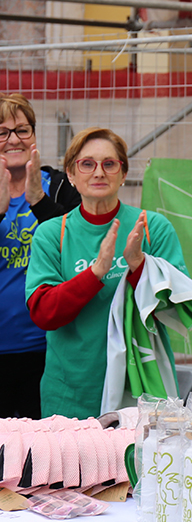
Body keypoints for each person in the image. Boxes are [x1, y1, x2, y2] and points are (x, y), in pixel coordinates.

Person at [25, 127, 186, 419]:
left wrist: (138, 266)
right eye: (87, 164)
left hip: (140, 394)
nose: (99, 172)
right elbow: (44, 313)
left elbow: (177, 308)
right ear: (71, 175)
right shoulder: (51, 234)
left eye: (109, 164)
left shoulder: (152, 228)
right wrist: (95, 272)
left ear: (123, 174)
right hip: (71, 396)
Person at [0, 94, 81, 419]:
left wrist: (39, 202)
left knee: (44, 443)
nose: (13, 140)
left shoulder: (61, 186)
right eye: (2, 132)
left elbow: (79, 247)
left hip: (49, 349)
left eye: (22, 130)